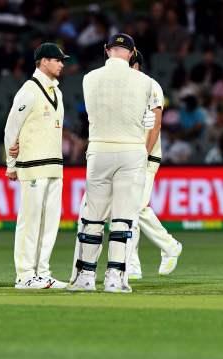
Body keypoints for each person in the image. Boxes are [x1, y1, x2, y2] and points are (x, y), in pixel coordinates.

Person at [68, 51, 182, 282]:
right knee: (128, 208)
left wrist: (144, 155)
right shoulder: (122, 88)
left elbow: (156, 125)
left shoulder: (151, 86)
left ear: (137, 65)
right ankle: (151, 254)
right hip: (125, 155)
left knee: (134, 207)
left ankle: (146, 258)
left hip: (144, 157)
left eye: (130, 66)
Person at [69, 33, 153, 293]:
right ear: (132, 52)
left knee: (93, 216)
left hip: (99, 150)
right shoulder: (145, 81)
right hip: (131, 151)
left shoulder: (89, 78)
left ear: (107, 51)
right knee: (123, 217)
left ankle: (85, 276)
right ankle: (115, 278)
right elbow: (144, 117)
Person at [4, 43, 68, 290]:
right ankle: (24, 275)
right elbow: (12, 127)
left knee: (50, 223)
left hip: (54, 166)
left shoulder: (57, 91)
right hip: (32, 166)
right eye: (57, 60)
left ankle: (42, 272)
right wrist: (11, 164)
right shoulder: (29, 90)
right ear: (43, 62)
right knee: (30, 221)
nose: (62, 64)